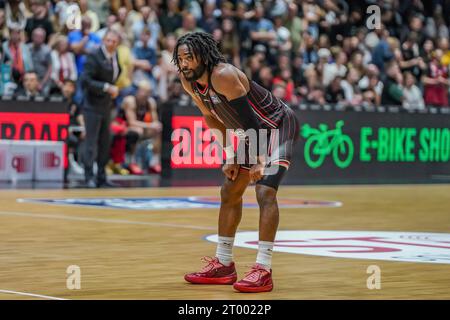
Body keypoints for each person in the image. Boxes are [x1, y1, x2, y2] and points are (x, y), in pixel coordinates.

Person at [174, 32, 299, 293]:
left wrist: (258, 159)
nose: (184, 63)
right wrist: (231, 156)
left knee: (265, 190)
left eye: (189, 57)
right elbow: (213, 119)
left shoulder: (224, 75)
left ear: (203, 56)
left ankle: (263, 269)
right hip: (249, 133)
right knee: (230, 190)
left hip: (275, 127)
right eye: (180, 58)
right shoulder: (189, 83)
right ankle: (223, 264)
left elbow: (251, 121)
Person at [81, 29, 121, 188]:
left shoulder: (115, 56)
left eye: (114, 41)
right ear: (103, 41)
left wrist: (112, 89)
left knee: (105, 142)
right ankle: (88, 176)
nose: (111, 43)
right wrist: (106, 87)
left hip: (106, 106)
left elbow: (114, 77)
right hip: (91, 105)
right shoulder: (94, 56)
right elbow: (86, 81)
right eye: (108, 40)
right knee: (91, 142)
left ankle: (101, 177)